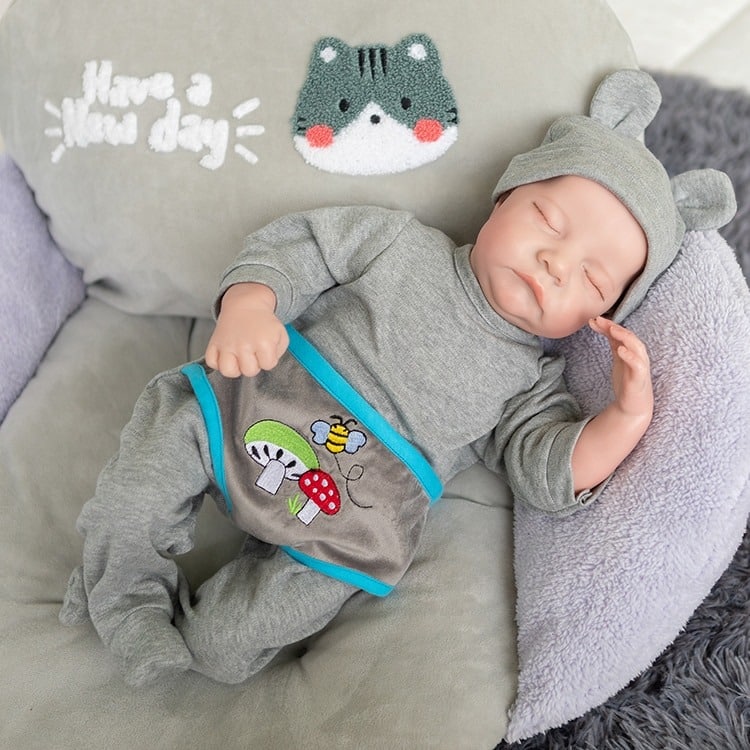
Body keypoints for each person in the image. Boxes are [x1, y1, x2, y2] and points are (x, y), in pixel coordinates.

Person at [60, 70, 735, 686]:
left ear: (597, 317)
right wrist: (251, 304)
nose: (557, 264)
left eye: (592, 278)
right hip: (261, 398)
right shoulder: (398, 244)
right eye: (547, 221)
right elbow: (300, 246)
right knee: (149, 470)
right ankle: (126, 604)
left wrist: (625, 417)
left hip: (354, 506)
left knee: (243, 634)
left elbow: (544, 467)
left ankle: (203, 640)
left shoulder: (530, 381)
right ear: (503, 199)